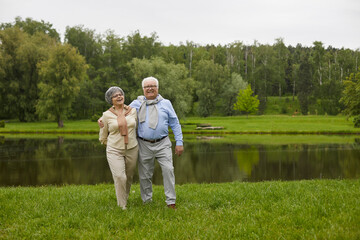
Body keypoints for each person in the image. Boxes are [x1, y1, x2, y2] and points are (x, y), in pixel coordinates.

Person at [130, 76, 184, 209]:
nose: (150, 88)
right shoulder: (136, 104)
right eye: (147, 86)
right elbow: (120, 111)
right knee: (144, 174)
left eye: (152, 86)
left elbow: (175, 123)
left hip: (163, 143)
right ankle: (147, 201)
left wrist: (179, 142)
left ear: (157, 88)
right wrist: (104, 119)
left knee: (168, 170)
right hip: (143, 144)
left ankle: (171, 201)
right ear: (143, 89)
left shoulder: (166, 103)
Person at [99, 86, 138, 210]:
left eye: (121, 94)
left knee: (129, 176)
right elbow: (103, 136)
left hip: (132, 148)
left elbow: (136, 128)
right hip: (114, 150)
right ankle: (122, 206)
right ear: (111, 100)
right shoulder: (106, 115)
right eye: (115, 96)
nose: (119, 97)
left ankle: (124, 198)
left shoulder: (132, 111)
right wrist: (111, 146)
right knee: (120, 177)